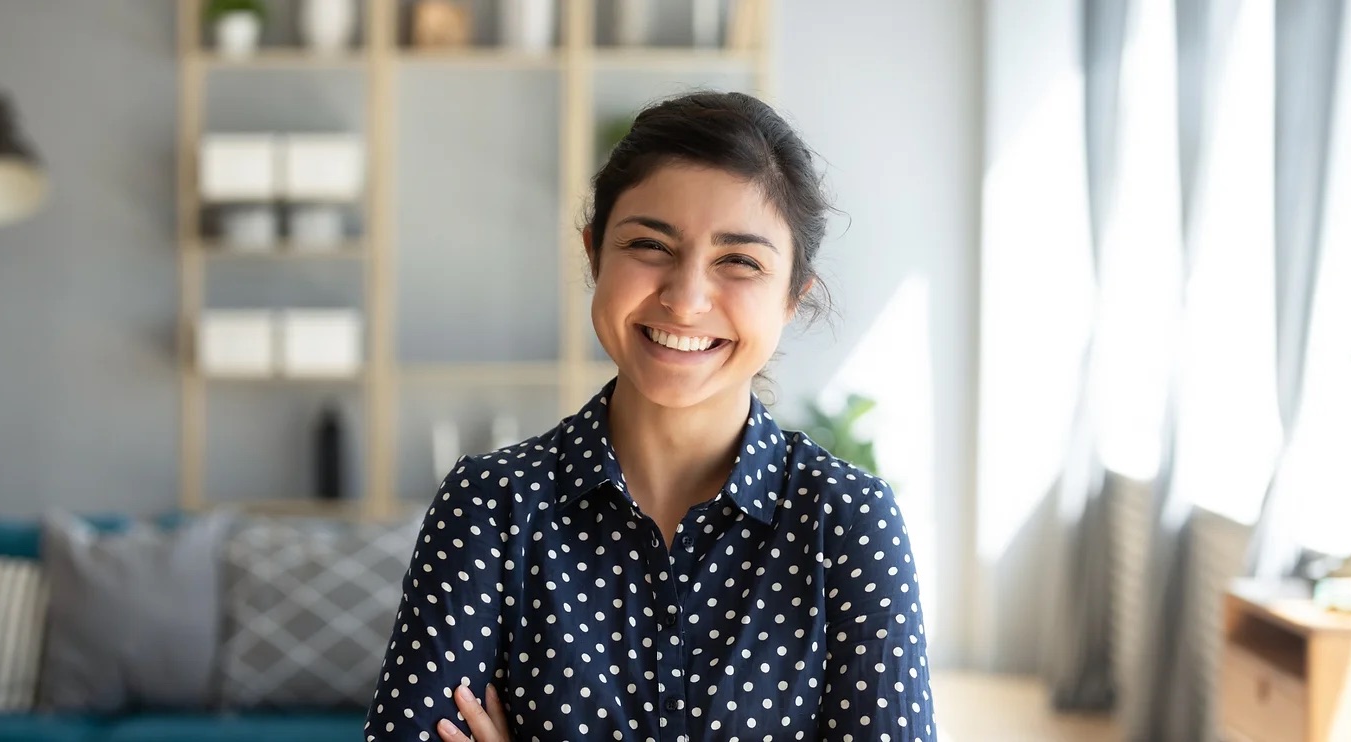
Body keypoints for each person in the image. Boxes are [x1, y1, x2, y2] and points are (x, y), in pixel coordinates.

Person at [363, 90, 937, 742]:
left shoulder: (848, 524)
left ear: (792, 298)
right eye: (650, 245)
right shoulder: (490, 507)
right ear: (593, 254)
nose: (686, 299)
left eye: (739, 261)